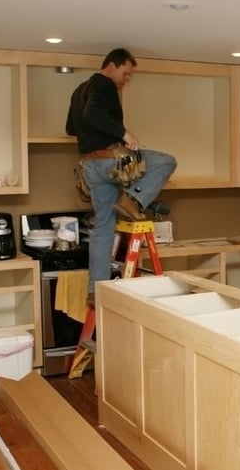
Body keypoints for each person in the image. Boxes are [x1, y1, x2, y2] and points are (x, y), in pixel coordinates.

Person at [66, 47, 177, 296]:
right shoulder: (104, 85)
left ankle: (96, 289)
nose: (126, 80)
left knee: (103, 227)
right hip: (109, 162)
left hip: (90, 167)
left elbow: (71, 128)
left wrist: (94, 133)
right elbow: (93, 113)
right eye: (125, 74)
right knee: (166, 161)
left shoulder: (78, 91)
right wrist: (124, 133)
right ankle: (132, 200)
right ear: (111, 66)